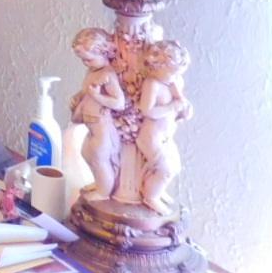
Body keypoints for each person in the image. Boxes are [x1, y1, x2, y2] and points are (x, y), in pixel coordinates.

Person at [69, 27, 126, 199]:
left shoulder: (108, 75)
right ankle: (100, 183)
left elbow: (119, 103)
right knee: (87, 153)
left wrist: (97, 96)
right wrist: (78, 97)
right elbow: (87, 90)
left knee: (99, 158)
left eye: (88, 59)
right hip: (91, 125)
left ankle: (104, 192)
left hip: (102, 127)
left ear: (103, 52)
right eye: (82, 60)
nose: (85, 63)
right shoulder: (93, 71)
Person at [136, 41, 193, 214]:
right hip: (151, 136)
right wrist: (172, 107)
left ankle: (156, 190)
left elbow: (181, 102)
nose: (174, 76)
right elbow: (147, 110)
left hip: (166, 136)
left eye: (178, 73)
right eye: (171, 72)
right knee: (165, 169)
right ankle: (150, 196)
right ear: (156, 67)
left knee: (175, 167)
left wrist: (185, 110)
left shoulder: (174, 82)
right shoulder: (153, 84)